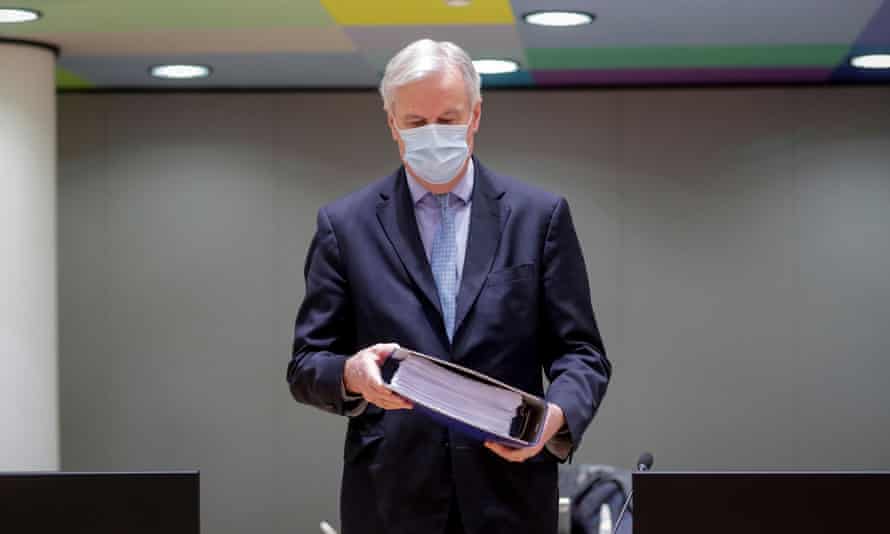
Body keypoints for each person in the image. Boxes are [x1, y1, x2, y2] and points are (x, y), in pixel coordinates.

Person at [287, 39, 611, 534]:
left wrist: (555, 418)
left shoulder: (537, 217)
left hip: (511, 497)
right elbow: (307, 363)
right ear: (392, 124)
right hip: (390, 501)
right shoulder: (344, 225)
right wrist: (352, 374)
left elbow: (582, 353)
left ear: (476, 115)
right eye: (416, 122)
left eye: (448, 117)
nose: (433, 134)